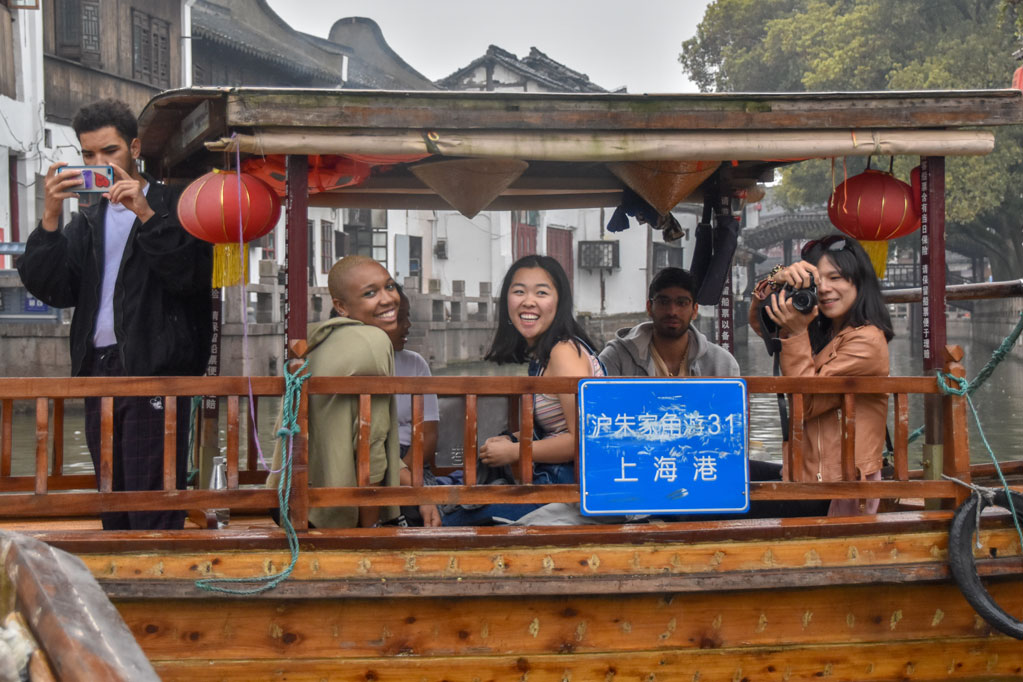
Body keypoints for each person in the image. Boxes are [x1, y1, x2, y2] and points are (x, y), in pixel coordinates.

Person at [17, 99, 212, 530]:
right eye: (89, 155)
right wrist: (49, 218)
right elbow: (55, 289)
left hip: (155, 365)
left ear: (135, 148)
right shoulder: (88, 218)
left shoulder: (175, 204)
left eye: (110, 151)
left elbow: (190, 277)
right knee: (111, 493)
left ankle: (158, 585)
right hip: (97, 365)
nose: (99, 163)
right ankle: (122, 588)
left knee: (152, 497)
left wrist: (145, 213)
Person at [268, 255, 440, 529]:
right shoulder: (373, 342)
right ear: (341, 306)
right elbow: (371, 441)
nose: (387, 299)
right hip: (344, 507)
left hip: (295, 498)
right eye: (370, 293)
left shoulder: (318, 341)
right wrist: (370, 527)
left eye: (390, 286)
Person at [443, 255, 604, 526]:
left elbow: (585, 440)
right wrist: (512, 440)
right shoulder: (544, 355)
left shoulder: (564, 352)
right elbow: (559, 429)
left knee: (452, 524)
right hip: (558, 482)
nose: (528, 301)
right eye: (519, 291)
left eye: (541, 292)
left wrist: (516, 452)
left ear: (559, 301)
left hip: (577, 492)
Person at [749, 235, 893, 516]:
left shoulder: (867, 340)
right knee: (725, 473)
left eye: (836, 278)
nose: (825, 289)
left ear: (859, 282)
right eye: (818, 280)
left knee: (722, 496)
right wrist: (777, 280)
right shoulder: (822, 331)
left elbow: (808, 401)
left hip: (837, 490)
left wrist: (797, 331)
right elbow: (763, 325)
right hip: (807, 477)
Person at [599, 267, 739, 378]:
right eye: (663, 302)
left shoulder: (721, 363)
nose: (672, 311)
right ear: (649, 307)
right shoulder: (615, 357)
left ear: (695, 310)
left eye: (682, 303)